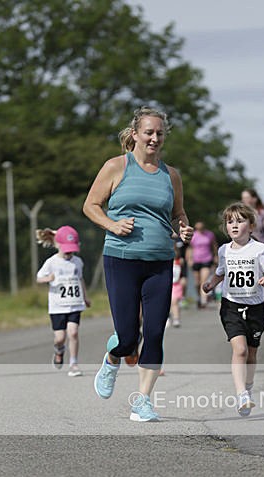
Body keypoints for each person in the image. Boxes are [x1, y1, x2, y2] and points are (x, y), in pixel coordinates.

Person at [82, 106, 193, 422]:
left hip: (160, 262)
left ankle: (142, 401)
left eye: (159, 133)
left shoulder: (171, 175)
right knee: (129, 337)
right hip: (121, 259)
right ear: (135, 134)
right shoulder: (116, 167)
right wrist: (111, 225)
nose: (155, 138)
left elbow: (178, 213)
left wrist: (183, 226)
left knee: (156, 332)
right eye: (149, 132)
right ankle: (112, 356)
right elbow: (90, 205)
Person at [202, 202, 264, 417]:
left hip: (255, 307)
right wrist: (211, 283)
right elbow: (221, 272)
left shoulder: (259, 249)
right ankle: (241, 395)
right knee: (240, 350)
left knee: (252, 354)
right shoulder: (224, 250)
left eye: (239, 221)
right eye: (230, 222)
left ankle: (248, 386)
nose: (234, 226)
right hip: (231, 306)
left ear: (252, 226)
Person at [36, 226, 90, 377]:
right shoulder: (51, 262)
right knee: (60, 338)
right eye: (66, 249)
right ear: (57, 244)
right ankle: (59, 350)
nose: (69, 253)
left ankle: (73, 363)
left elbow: (80, 280)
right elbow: (39, 277)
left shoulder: (78, 262)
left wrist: (85, 297)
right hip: (57, 306)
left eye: (72, 250)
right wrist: (48, 279)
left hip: (74, 304)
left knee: (73, 333)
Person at [241, 189, 264, 318]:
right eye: (243, 198)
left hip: (260, 248)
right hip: (244, 247)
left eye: (247, 197)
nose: (245, 200)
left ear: (254, 199)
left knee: (263, 280)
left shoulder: (263, 213)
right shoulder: (241, 213)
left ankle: (263, 307)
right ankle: (245, 307)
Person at [185, 220, 217, 309]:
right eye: (198, 228)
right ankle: (199, 298)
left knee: (204, 280)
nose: (200, 230)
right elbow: (190, 248)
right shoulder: (194, 235)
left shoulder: (209, 234)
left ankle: (203, 301)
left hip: (207, 259)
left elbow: (213, 245)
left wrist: (215, 256)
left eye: (201, 228)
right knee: (197, 282)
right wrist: (189, 259)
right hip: (196, 260)